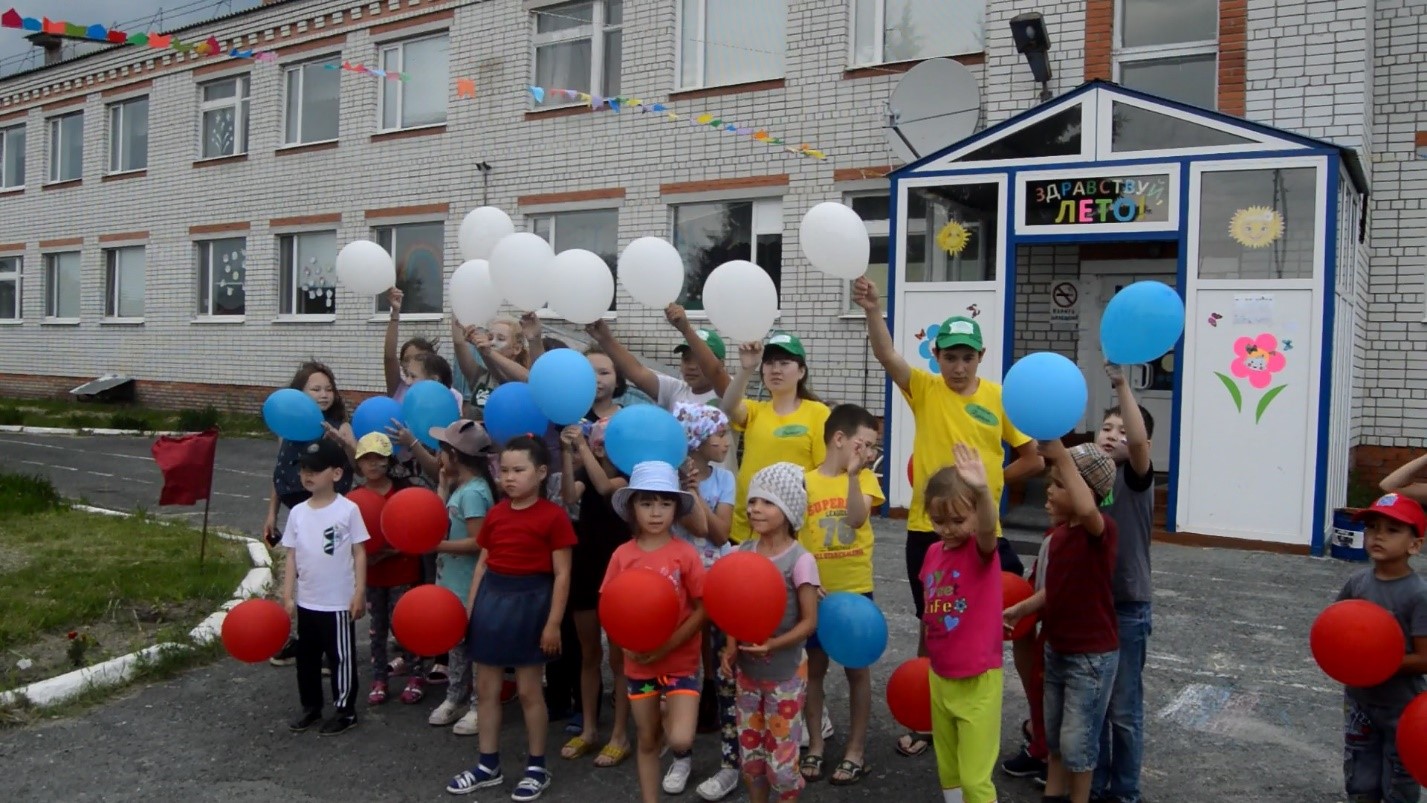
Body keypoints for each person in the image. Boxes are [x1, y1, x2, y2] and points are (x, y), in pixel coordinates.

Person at [851, 277, 1043, 757]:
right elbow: (887, 356)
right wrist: (873, 310)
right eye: (950, 357)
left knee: (1016, 617)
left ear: (980, 357)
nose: (958, 366)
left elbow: (1034, 458)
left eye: (967, 357)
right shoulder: (926, 388)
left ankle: (1033, 718)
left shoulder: (999, 398)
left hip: (984, 533)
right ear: (937, 356)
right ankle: (929, 719)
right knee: (933, 622)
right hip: (928, 530)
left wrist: (991, 480)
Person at [446, 435, 576, 801]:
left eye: (518, 470)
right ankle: (487, 764)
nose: (509, 477)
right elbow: (483, 563)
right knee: (486, 689)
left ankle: (537, 767)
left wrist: (553, 623)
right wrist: (471, 611)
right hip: (491, 603)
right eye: (504, 470)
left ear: (541, 472)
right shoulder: (497, 513)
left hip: (531, 606)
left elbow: (563, 574)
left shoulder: (554, 517)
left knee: (529, 691)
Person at [1004, 441, 1119, 803]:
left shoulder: (1100, 531)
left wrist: (1062, 455)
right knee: (1054, 738)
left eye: (1059, 484)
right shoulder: (1058, 537)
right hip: (1057, 650)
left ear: (1087, 491)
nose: (1049, 491)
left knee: (1077, 744)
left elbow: (1086, 509)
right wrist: (1022, 608)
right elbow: (1055, 589)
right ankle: (1053, 795)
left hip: (1090, 658)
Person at [602, 461, 709, 802]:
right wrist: (624, 644)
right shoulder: (622, 556)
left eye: (664, 503)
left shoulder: (685, 554)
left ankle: (668, 715)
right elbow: (610, 607)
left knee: (680, 739)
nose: (655, 512)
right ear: (632, 508)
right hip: (639, 666)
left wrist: (666, 646)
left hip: (680, 663)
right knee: (646, 740)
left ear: (676, 508)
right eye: (646, 503)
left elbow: (704, 607)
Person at [722, 462, 820, 803]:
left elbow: (809, 621)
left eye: (767, 502)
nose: (755, 509)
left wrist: (773, 644)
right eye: (752, 501)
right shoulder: (741, 552)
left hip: (786, 676)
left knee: (782, 766)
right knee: (751, 761)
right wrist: (730, 646)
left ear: (789, 510)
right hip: (747, 675)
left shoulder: (801, 560)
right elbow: (732, 606)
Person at [797, 403, 883, 786]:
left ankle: (855, 751)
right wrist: (805, 581)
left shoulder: (865, 480)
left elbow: (856, 518)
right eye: (865, 444)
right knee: (813, 670)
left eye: (874, 447)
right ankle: (815, 744)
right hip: (816, 594)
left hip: (855, 591)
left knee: (857, 670)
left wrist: (852, 476)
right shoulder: (804, 482)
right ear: (839, 439)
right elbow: (794, 537)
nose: (870, 453)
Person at [920, 446, 1004, 803]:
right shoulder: (932, 553)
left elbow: (986, 529)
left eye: (957, 520)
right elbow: (929, 611)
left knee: (974, 779)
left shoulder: (980, 551)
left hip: (977, 680)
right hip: (940, 676)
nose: (947, 529)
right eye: (938, 521)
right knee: (949, 772)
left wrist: (983, 492)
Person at [1090, 365, 1157, 803]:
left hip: (1127, 607)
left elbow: (1137, 443)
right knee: (1092, 706)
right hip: (1091, 607)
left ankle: (1125, 792)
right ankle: (1092, 786)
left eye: (1122, 430)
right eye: (1106, 427)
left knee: (1124, 709)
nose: (1113, 435)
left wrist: (1120, 385)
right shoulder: (1086, 477)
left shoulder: (1135, 477)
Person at [1334, 493, 1427, 803]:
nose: (1378, 535)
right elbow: (1335, 631)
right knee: (1360, 775)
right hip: (1359, 702)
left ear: (1415, 545)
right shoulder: (1357, 584)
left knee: (1399, 780)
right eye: (1372, 527)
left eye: (1392, 529)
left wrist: (1378, 663)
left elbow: (1424, 658)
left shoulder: (1418, 595)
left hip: (1402, 708)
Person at [670, 402, 742, 801]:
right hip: (681, 580)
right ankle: (680, 752)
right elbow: (697, 526)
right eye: (719, 435)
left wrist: (696, 493)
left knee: (719, 658)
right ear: (695, 439)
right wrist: (690, 492)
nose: (726, 442)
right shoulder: (671, 478)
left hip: (717, 581)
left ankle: (727, 750)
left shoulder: (725, 478)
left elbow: (719, 534)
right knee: (683, 661)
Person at [265, 362, 356, 668]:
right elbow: (279, 471)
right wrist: (271, 513)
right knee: (300, 574)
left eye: (329, 389)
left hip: (329, 514)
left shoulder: (339, 426)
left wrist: (341, 440)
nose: (324, 394)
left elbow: (359, 461)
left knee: (329, 573)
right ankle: (303, 641)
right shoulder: (289, 427)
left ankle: (334, 648)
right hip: (299, 514)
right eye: (315, 389)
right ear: (298, 393)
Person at [280, 438, 368, 737]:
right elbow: (291, 555)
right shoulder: (297, 512)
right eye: (304, 469)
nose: (308, 475)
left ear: (336, 474)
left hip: (338, 603)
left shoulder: (348, 510)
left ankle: (345, 710)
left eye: (315, 470)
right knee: (306, 658)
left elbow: (359, 552)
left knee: (341, 657)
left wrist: (359, 592)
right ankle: (311, 706)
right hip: (308, 601)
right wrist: (288, 594)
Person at [559, 419, 633, 768]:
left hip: (618, 569)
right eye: (596, 440)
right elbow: (568, 496)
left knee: (619, 659)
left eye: (605, 440)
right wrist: (565, 451)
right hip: (586, 565)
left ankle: (619, 734)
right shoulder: (584, 471)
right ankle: (589, 729)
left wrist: (582, 447)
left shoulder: (628, 478)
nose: (600, 444)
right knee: (589, 653)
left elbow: (606, 487)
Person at [721, 333, 830, 544]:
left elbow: (823, 471)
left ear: (801, 371)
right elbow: (729, 406)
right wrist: (746, 369)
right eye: (770, 363)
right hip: (747, 525)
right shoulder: (755, 410)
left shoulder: (818, 413)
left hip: (792, 528)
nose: (776, 370)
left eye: (784, 363)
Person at [427, 420, 497, 736]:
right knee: (456, 643)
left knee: (475, 647)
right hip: (452, 583)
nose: (439, 457)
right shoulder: (461, 487)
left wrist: (437, 546)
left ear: (454, 455)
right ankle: (455, 696)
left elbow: (479, 542)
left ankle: (478, 706)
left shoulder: (474, 493)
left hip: (468, 584)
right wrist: (442, 487)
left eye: (442, 451)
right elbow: (438, 518)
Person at [350, 433, 423, 707]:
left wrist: (396, 549)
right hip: (373, 575)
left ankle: (416, 676)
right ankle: (379, 679)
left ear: (389, 461)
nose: (373, 464)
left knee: (406, 626)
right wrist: (362, 558)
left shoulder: (404, 492)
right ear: (358, 464)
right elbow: (347, 539)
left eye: (379, 458)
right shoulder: (353, 499)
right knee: (376, 629)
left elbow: (418, 532)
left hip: (403, 571)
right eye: (366, 459)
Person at [585, 305, 731, 410]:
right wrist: (605, 339)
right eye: (686, 359)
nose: (691, 366)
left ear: (722, 363)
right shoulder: (675, 390)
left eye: (700, 361)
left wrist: (686, 330)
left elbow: (716, 372)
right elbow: (637, 372)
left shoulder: (730, 392)